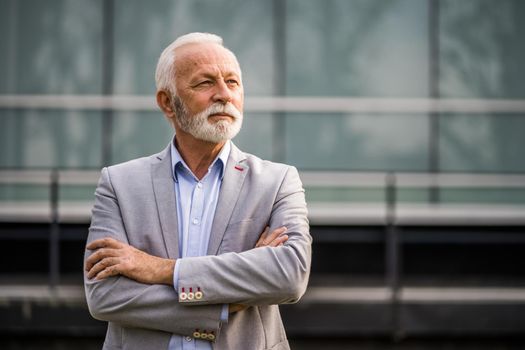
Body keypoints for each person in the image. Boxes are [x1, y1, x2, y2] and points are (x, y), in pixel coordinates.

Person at [84, 32, 311, 350]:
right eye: (205, 83)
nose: (224, 95)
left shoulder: (278, 182)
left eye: (232, 82)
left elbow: (290, 275)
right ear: (167, 103)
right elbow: (104, 296)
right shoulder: (119, 185)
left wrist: (160, 270)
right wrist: (224, 305)